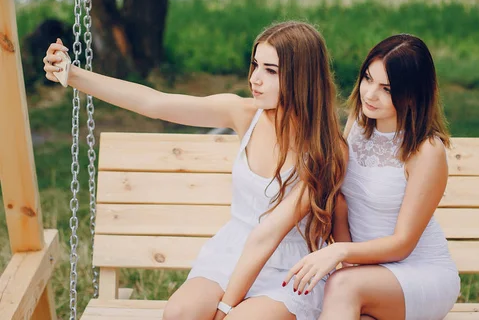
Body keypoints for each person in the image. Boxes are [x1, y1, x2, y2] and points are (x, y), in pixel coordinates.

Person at [42, 21, 347, 320]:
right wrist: (73, 73)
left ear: (302, 78)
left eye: (270, 71)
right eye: (255, 65)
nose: (255, 78)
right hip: (232, 251)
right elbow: (154, 102)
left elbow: (266, 238)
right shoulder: (244, 114)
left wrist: (226, 308)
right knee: (180, 313)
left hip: (289, 269)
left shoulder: (325, 151)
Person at [283, 34, 461, 320]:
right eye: (368, 78)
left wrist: (341, 253)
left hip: (419, 272)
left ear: (413, 93)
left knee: (342, 286)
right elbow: (341, 201)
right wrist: (348, 262)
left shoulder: (426, 151)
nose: (370, 94)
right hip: (363, 273)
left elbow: (403, 244)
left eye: (387, 88)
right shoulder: (357, 126)